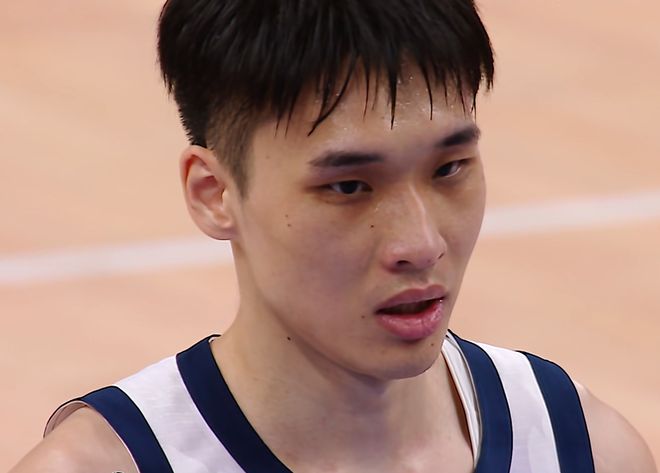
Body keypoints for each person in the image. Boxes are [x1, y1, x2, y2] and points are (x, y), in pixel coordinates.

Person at [11, 0, 656, 472]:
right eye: (349, 187)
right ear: (214, 193)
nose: (420, 242)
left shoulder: (585, 450)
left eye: (449, 169)